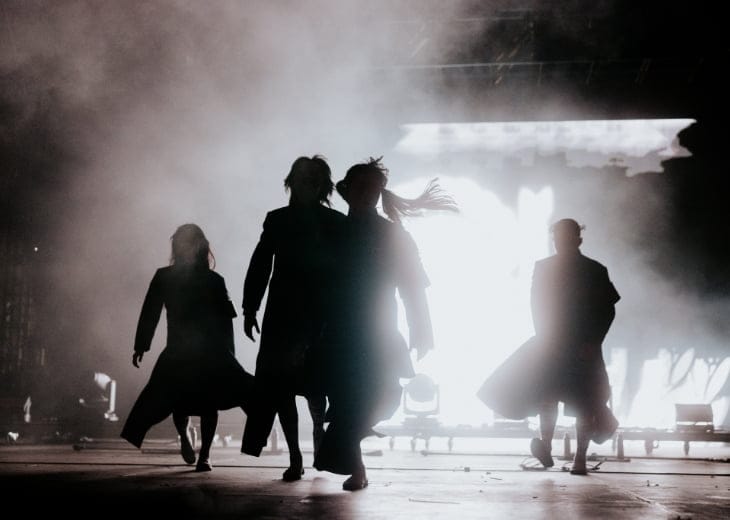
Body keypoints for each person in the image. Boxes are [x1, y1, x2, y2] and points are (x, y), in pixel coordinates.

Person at [314, 157, 457, 490]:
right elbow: (314, 283)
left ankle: (350, 460)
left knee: (377, 394)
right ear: (347, 191)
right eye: (362, 188)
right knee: (348, 398)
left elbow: (412, 285)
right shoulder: (334, 231)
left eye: (373, 189)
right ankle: (357, 467)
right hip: (339, 329)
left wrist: (422, 327)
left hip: (375, 329)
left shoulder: (391, 234)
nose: (367, 195)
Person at [478, 218, 620, 474]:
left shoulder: (593, 270)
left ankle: (578, 458)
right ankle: (548, 447)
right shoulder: (553, 268)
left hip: (580, 345)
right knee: (552, 396)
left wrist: (592, 340)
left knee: (583, 402)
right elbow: (537, 304)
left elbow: (607, 311)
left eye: (563, 238)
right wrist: (546, 336)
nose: (559, 242)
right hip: (558, 343)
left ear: (578, 239)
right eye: (557, 238)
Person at [240, 155, 346, 481]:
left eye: (311, 181)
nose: (306, 186)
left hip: (317, 315)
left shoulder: (333, 222)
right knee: (282, 387)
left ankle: (314, 438)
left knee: (314, 384)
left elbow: (346, 274)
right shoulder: (279, 220)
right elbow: (260, 264)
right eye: (302, 180)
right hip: (286, 315)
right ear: (292, 183)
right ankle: (296, 454)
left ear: (321, 186)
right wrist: (249, 307)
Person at [121, 224, 253, 472]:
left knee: (204, 402)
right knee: (180, 399)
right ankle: (186, 437)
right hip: (183, 349)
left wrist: (228, 356)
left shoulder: (211, 280)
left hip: (205, 351)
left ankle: (204, 454)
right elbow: (150, 312)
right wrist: (141, 345)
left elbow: (225, 320)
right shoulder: (170, 277)